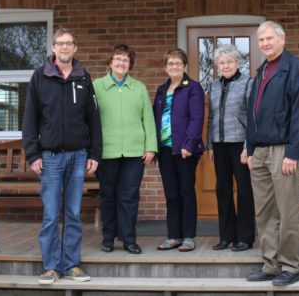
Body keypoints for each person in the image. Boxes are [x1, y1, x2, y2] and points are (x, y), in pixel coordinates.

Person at [22, 28, 102, 285]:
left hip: (79, 157)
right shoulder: (40, 77)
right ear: (54, 48)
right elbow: (29, 119)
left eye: (69, 43)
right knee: (50, 214)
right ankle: (51, 267)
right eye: (60, 43)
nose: (65, 47)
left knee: (74, 214)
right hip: (51, 158)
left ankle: (72, 265)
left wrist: (94, 153)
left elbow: (94, 119)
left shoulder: (83, 77)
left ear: (75, 48)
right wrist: (33, 154)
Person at [246, 21, 299, 286]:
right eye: (261, 40)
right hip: (260, 153)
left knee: (287, 212)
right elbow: (253, 114)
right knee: (264, 213)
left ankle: (291, 266)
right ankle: (270, 264)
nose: (265, 43)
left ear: (282, 40)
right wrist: (249, 149)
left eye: (269, 38)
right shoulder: (261, 70)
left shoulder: (294, 67)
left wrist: (293, 153)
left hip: (283, 151)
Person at [93, 44, 157, 255]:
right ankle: (108, 238)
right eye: (117, 59)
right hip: (106, 152)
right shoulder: (96, 86)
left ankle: (129, 239)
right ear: (110, 62)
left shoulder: (138, 88)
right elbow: (89, 121)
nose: (121, 63)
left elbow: (148, 118)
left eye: (126, 60)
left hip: (134, 153)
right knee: (108, 195)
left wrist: (150, 147)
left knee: (129, 196)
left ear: (130, 65)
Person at [153, 48, 205, 252]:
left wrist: (188, 144)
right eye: (170, 63)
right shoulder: (161, 90)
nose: (174, 67)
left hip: (185, 150)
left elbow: (197, 118)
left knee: (186, 192)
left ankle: (189, 236)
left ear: (184, 66)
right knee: (171, 194)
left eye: (178, 63)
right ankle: (173, 235)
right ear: (166, 67)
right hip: (165, 150)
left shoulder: (193, 87)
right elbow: (155, 118)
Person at [207, 44, 256, 252]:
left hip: (240, 145)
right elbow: (211, 117)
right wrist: (210, 144)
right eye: (221, 62)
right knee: (223, 190)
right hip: (219, 145)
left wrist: (248, 146)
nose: (225, 66)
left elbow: (253, 116)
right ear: (217, 66)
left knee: (244, 190)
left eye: (229, 62)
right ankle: (226, 235)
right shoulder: (213, 85)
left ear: (238, 63)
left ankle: (244, 237)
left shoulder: (248, 83)